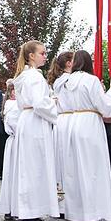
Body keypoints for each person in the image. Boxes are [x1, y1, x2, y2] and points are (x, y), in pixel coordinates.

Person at [0, 40, 58, 221]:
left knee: (29, 166)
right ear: (31, 56)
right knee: (34, 166)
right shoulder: (34, 77)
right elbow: (40, 103)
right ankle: (31, 214)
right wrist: (54, 105)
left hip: (28, 119)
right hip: (34, 120)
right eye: (42, 53)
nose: (45, 56)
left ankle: (28, 210)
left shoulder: (25, 76)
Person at [58, 51, 111, 221]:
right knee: (93, 168)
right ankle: (94, 211)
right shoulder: (90, 80)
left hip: (72, 122)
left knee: (76, 170)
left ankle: (77, 211)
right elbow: (105, 106)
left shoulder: (65, 81)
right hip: (89, 124)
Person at [46, 51, 74, 202]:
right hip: (69, 118)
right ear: (69, 63)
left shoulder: (58, 80)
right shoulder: (70, 80)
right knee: (69, 161)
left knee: (61, 159)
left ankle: (62, 196)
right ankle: (68, 198)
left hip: (60, 121)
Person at [0, 79, 19, 221]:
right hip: (16, 141)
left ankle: (12, 207)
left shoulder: (13, 105)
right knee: (15, 174)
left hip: (15, 142)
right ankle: (13, 207)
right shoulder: (13, 106)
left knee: (13, 174)